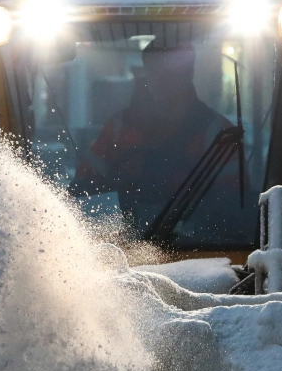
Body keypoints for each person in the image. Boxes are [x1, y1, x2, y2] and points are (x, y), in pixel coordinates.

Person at [69, 45, 232, 236]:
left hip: (201, 248)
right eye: (155, 71)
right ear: (146, 73)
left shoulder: (218, 133)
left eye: (171, 72)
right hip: (124, 247)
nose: (162, 80)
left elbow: (234, 207)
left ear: (188, 73)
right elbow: (83, 190)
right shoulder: (118, 128)